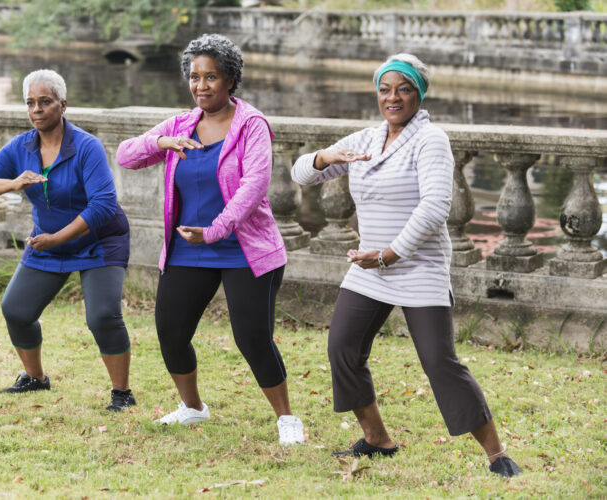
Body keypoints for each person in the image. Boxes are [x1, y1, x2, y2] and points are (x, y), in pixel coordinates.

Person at [291, 54, 521, 477]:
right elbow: (300, 175)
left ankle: (496, 453)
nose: (392, 97)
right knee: (343, 348)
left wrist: (390, 254)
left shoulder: (430, 139)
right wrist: (325, 157)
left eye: (403, 89)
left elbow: (436, 207)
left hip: (416, 266)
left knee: (439, 361)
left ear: (419, 93)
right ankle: (377, 438)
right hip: (369, 267)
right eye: (384, 88)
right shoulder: (365, 140)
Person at [116, 34, 304, 445]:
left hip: (245, 249)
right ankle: (193, 408)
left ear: (231, 80)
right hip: (188, 247)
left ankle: (287, 418)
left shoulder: (251, 125)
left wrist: (215, 230)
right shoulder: (181, 124)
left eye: (211, 77)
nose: (201, 86)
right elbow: (125, 155)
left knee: (252, 337)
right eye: (195, 77)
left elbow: (254, 186)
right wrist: (160, 141)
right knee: (171, 330)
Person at [0, 69, 136, 412]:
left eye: (45, 102)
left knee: (102, 316)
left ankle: (122, 393)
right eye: (30, 103)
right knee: (15, 309)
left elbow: (103, 205)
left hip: (99, 242)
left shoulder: (87, 146)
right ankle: (35, 378)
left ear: (63, 104)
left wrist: (57, 238)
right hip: (47, 243)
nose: (37, 109)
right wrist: (11, 183)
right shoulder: (22, 147)